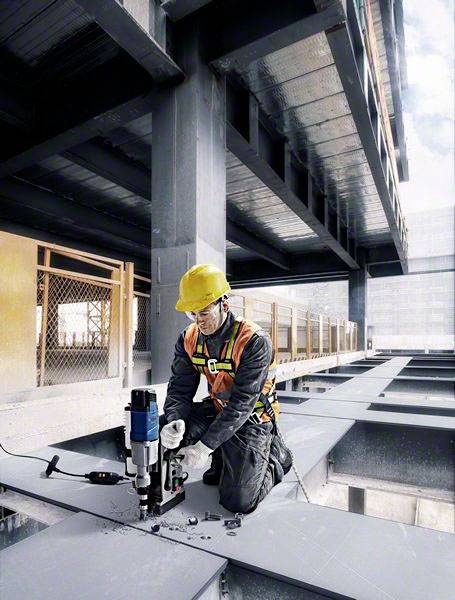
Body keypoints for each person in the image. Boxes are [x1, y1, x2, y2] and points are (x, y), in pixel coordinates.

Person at [160, 264, 292, 514]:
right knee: (163, 434)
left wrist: (204, 447)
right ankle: (222, 455)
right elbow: (179, 388)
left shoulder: (253, 341)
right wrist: (174, 420)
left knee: (238, 500)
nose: (199, 322)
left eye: (204, 313)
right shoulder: (188, 339)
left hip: (252, 418)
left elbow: (243, 403)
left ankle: (276, 459)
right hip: (218, 409)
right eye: (192, 314)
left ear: (224, 305)